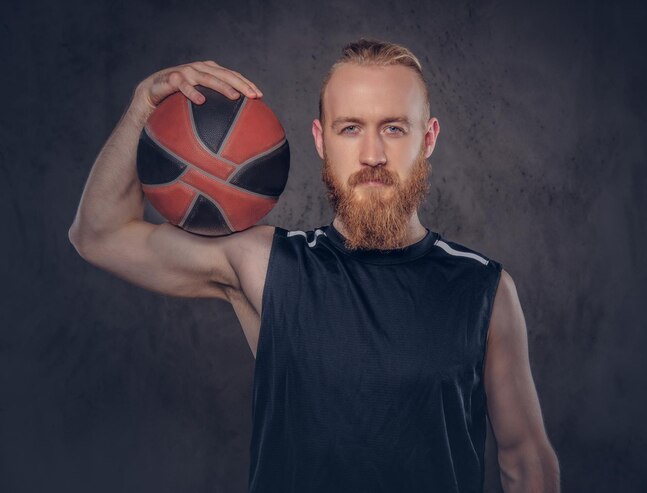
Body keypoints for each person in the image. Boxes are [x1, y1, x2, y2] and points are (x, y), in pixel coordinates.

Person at [69, 38, 560, 493]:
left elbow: (526, 461)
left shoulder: (484, 289)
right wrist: (142, 105)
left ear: (427, 138)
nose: (372, 155)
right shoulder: (267, 265)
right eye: (351, 128)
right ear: (321, 140)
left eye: (393, 128)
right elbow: (99, 234)